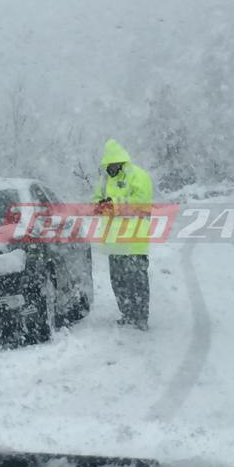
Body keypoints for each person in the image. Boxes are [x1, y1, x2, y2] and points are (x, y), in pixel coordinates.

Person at [93, 139, 153, 330]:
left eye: (114, 165)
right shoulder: (103, 181)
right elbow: (96, 201)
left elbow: (142, 202)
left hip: (135, 239)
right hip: (114, 240)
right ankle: (127, 313)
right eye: (109, 166)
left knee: (137, 280)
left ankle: (141, 317)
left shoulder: (137, 175)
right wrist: (99, 206)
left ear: (121, 162)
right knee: (118, 281)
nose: (111, 168)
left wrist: (114, 204)